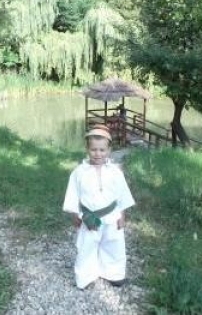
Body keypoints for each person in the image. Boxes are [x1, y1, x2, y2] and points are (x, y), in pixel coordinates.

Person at [62, 124, 135, 289]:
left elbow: (122, 194)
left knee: (114, 245)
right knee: (86, 247)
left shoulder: (115, 172)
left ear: (109, 150)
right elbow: (73, 194)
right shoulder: (79, 172)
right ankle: (85, 277)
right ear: (87, 149)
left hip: (112, 216)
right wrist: (74, 214)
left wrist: (122, 215)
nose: (98, 154)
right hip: (89, 217)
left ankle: (114, 274)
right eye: (94, 149)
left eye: (102, 150)